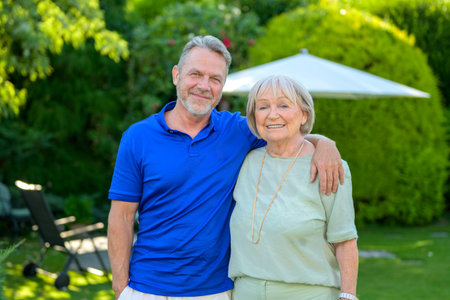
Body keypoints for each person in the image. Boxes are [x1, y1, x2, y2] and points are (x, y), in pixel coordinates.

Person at [107, 35, 345, 300]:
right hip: (145, 289)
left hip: (216, 291)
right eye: (195, 74)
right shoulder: (138, 137)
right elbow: (122, 217)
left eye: (215, 78)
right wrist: (121, 288)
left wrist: (324, 143)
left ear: (222, 86)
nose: (203, 86)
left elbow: (284, 131)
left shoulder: (238, 131)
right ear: (176, 75)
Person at [228, 75, 358, 300]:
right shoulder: (246, 161)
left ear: (304, 114)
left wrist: (348, 296)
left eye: (283, 105)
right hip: (245, 292)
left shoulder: (329, 166)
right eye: (263, 106)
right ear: (254, 116)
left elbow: (345, 240)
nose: (272, 114)